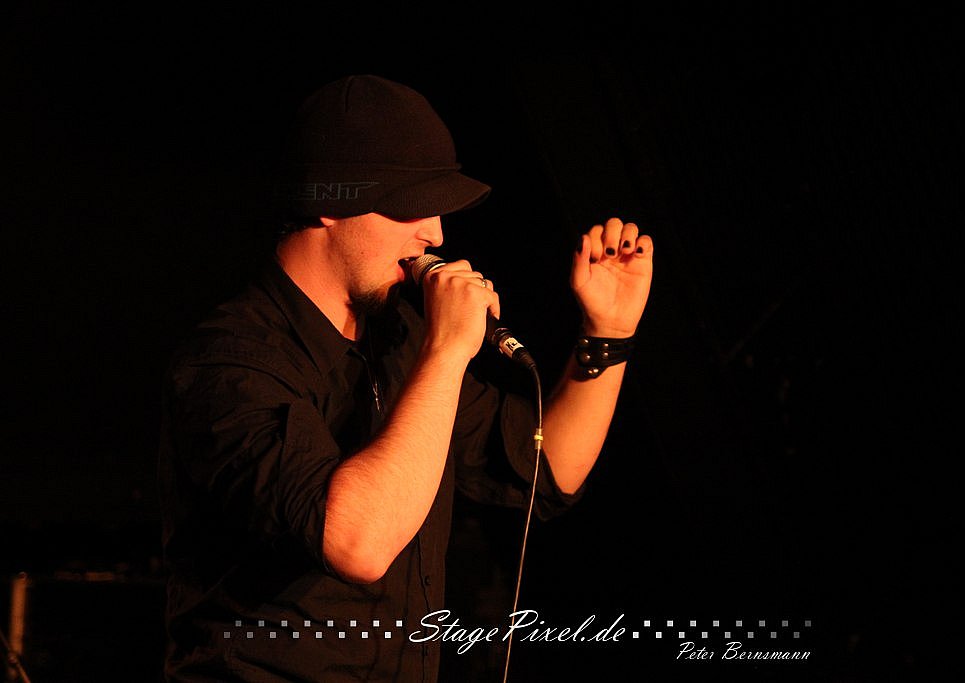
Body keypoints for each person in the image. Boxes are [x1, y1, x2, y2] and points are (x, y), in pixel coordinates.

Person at [158, 74, 653, 682]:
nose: (436, 235)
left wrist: (608, 335)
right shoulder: (230, 361)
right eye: (412, 204)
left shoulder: (399, 342)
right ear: (330, 200)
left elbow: (547, 471)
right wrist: (447, 351)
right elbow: (356, 543)